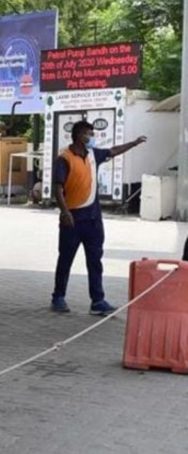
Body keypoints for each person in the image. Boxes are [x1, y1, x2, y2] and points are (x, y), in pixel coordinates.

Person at [52, 120, 146, 315]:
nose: (91, 137)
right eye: (89, 133)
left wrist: (134, 143)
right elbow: (58, 188)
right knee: (66, 259)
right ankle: (58, 297)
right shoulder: (64, 158)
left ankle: (97, 301)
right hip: (72, 219)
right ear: (79, 135)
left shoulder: (93, 155)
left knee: (95, 261)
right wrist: (65, 212)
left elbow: (113, 151)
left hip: (93, 220)